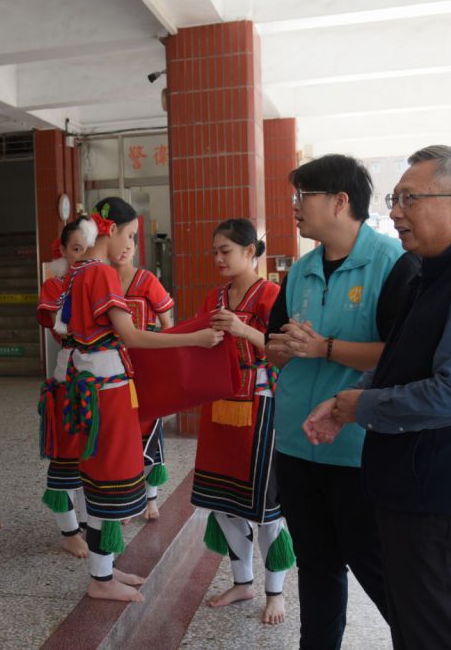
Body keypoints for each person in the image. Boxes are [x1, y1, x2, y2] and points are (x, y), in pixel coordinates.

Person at [304, 146, 451, 650]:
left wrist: (358, 408)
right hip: (414, 493)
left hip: (449, 503)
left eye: (410, 198)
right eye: (395, 197)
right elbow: (399, 365)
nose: (396, 211)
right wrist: (350, 398)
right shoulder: (432, 274)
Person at [265, 154, 418, 649]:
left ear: (340, 200)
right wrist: (285, 348)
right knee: (315, 563)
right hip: (295, 442)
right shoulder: (301, 269)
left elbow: (404, 354)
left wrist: (324, 347)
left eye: (302, 196)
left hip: (355, 446)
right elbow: (272, 343)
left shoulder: (393, 264)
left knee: (374, 565)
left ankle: (424, 638)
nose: (294, 207)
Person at [56, 196, 221, 602]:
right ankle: (100, 579)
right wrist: (195, 338)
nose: (129, 244)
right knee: (108, 480)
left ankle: (105, 570)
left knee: (99, 479)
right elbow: (130, 336)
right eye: (129, 234)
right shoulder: (104, 274)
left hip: (90, 383)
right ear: (110, 230)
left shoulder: (78, 272)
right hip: (107, 387)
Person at [194, 218, 293, 625]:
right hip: (219, 405)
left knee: (267, 509)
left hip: (261, 404)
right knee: (222, 504)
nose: (218, 258)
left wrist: (241, 329)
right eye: (214, 251)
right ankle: (242, 581)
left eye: (226, 251)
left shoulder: (271, 294)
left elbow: (286, 351)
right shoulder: (214, 296)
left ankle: (275, 591)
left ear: (251, 251)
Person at [37, 219, 91, 557]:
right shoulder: (55, 285)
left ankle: (86, 523)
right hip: (70, 378)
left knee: (92, 457)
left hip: (102, 379)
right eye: (76, 248)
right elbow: (61, 323)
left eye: (88, 248)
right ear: (63, 251)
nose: (83, 255)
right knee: (66, 456)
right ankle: (68, 531)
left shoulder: (106, 280)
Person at [112, 226, 173, 520]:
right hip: (111, 371)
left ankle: (150, 498)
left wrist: (160, 359)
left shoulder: (147, 280)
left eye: (131, 243)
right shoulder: (103, 280)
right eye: (120, 242)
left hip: (144, 370)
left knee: (148, 433)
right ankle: (126, 500)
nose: (125, 249)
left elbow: (168, 324)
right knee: (121, 435)